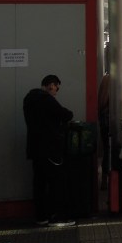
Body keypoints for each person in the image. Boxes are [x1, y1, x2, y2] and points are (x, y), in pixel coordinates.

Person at [23, 74, 75, 227]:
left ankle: (41, 216)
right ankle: (57, 216)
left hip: (35, 148)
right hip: (50, 148)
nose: (56, 92)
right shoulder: (46, 99)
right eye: (56, 88)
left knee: (39, 183)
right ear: (51, 85)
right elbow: (65, 114)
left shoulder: (28, 99)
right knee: (56, 181)